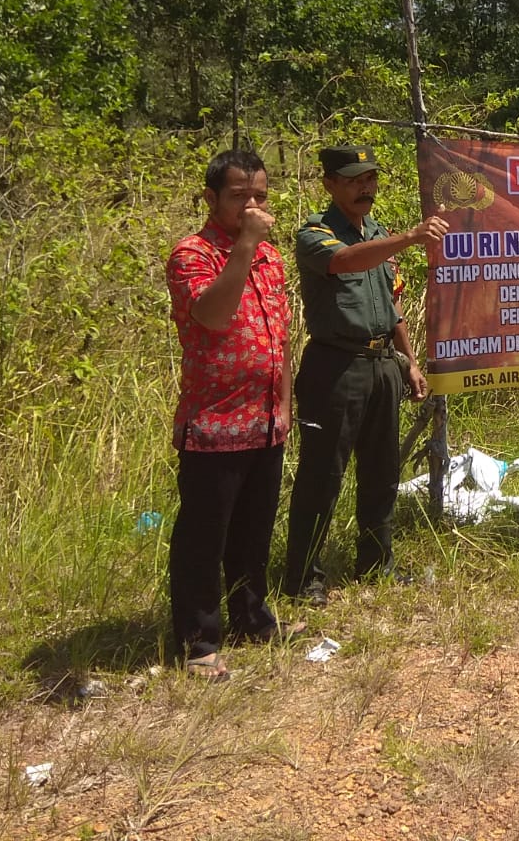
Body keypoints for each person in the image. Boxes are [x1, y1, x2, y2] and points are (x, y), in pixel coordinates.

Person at [280, 144, 449, 602]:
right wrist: (413, 237)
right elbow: (346, 262)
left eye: (370, 179)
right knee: (323, 476)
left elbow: (393, 306)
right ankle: (303, 580)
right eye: (354, 180)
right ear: (330, 184)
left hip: (381, 366)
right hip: (335, 367)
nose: (365, 188)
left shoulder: (376, 231)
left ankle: (376, 564)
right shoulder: (316, 234)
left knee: (381, 472)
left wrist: (410, 361)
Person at [165, 150, 294, 681]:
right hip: (214, 426)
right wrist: (243, 244)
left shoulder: (271, 257)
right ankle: (199, 641)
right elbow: (214, 316)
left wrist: (284, 403)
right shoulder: (191, 255)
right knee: (204, 537)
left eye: (260, 195)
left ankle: (252, 618)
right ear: (211, 198)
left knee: (254, 531)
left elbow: (280, 336)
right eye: (240, 196)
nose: (253, 205)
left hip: (265, 420)